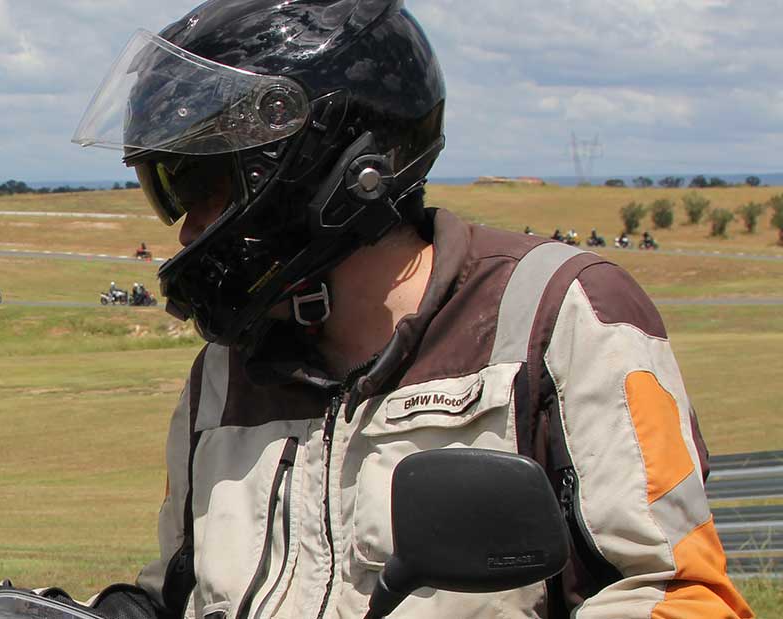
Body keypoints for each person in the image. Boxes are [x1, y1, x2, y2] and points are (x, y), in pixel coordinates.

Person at [62, 1, 749, 617]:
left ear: (319, 166)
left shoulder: (560, 314)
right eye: (170, 197)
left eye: (203, 184)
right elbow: (183, 593)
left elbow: (684, 595)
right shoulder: (227, 372)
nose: (185, 231)